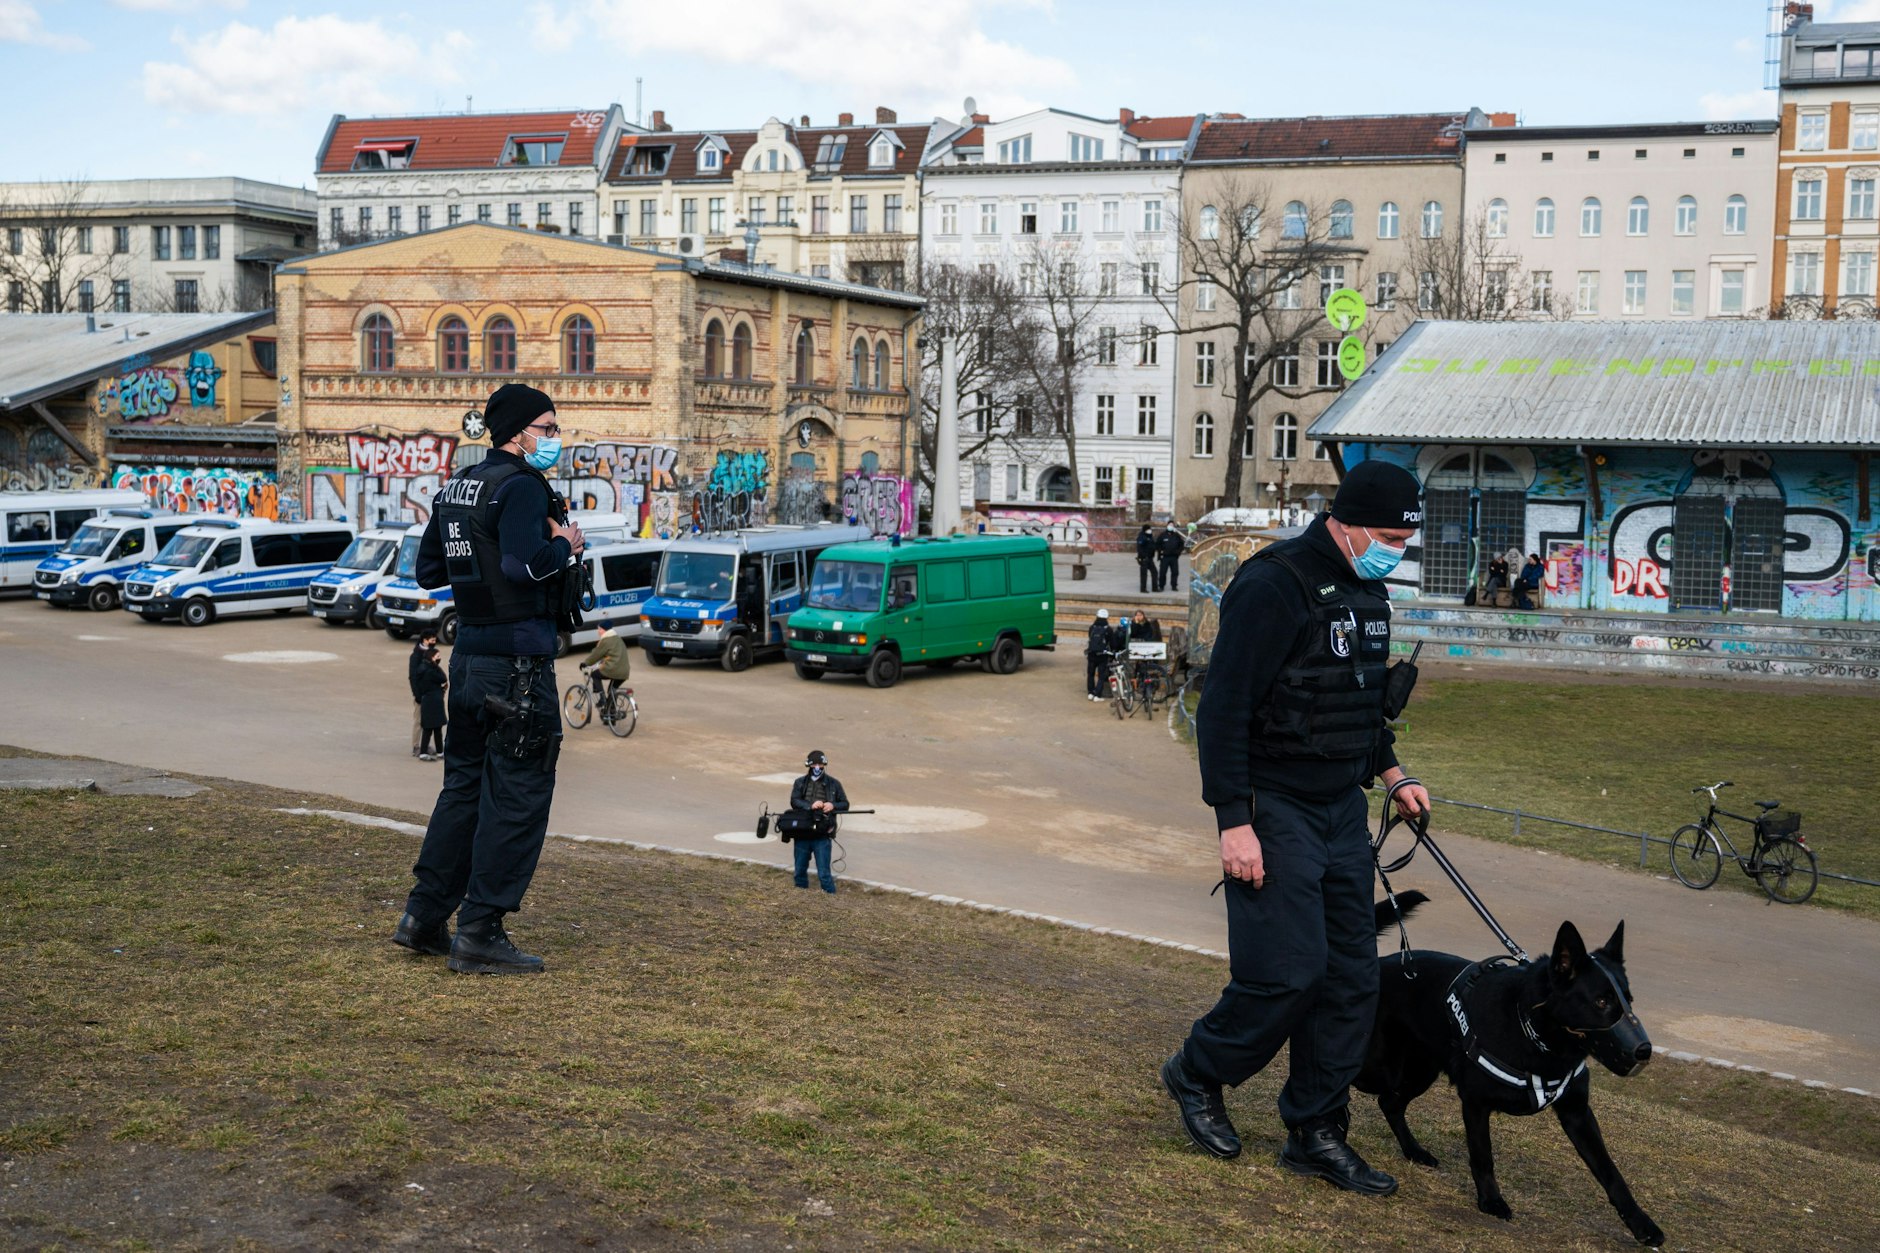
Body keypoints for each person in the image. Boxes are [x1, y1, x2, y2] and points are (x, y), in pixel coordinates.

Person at [1161, 458, 1431, 1198]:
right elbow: (1222, 710)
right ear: (1343, 522)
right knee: (1287, 972)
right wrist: (1234, 824)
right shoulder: (1273, 584)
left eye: (1404, 539)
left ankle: (1315, 1131)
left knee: (1350, 980)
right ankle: (1197, 1071)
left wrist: (1393, 773)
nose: (1395, 550)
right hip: (1272, 801)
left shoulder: (1367, 591)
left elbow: (1354, 703)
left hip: (1340, 806)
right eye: (1385, 536)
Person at [392, 382, 586, 975]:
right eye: (549, 428)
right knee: (517, 797)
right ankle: (480, 930)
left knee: (464, 792)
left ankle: (424, 918)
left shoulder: (458, 485)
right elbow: (524, 565)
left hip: (470, 658)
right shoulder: (524, 486)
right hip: (518, 668)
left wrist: (478, 581)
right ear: (519, 432)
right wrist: (566, 544)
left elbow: (428, 571)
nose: (555, 438)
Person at [789, 749, 850, 893]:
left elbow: (845, 804)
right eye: (814, 764)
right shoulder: (800, 783)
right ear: (808, 765)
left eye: (820, 764)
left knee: (824, 874)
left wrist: (833, 805)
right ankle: (800, 899)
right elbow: (794, 801)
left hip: (823, 835)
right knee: (799, 872)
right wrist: (810, 806)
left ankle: (831, 902)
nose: (817, 767)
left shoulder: (834, 784)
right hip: (802, 833)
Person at [579, 618, 632, 715]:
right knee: (612, 690)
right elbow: (612, 654)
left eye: (599, 629)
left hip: (613, 668)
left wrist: (585, 663)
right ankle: (611, 713)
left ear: (605, 630)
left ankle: (602, 699)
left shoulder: (606, 640)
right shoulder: (618, 639)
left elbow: (596, 654)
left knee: (595, 675)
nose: (598, 631)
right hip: (625, 671)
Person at [407, 629, 438, 758]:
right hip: (421, 694)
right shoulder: (416, 656)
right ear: (425, 640)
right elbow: (413, 677)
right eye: (432, 641)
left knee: (429, 721)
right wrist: (417, 695)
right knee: (418, 720)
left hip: (431, 693)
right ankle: (416, 746)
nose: (434, 643)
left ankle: (425, 745)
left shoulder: (432, 653)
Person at [415, 644, 448, 760]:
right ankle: (425, 752)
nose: (439, 658)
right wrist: (436, 666)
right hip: (433, 702)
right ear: (432, 657)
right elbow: (443, 678)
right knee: (432, 729)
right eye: (437, 656)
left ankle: (439, 752)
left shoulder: (422, 668)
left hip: (429, 700)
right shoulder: (431, 671)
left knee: (433, 728)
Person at [1085, 607, 1119, 701]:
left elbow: (1090, 638)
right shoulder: (1108, 629)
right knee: (1101, 675)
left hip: (1091, 653)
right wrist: (1113, 653)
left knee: (1090, 674)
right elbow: (1112, 643)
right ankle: (1097, 694)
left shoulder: (1092, 627)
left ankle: (1090, 693)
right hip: (1102, 655)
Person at [1157, 523, 1187, 593]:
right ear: (1167, 526)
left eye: (1172, 525)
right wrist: (1161, 551)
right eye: (1169, 525)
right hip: (1164, 557)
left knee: (1175, 572)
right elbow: (1157, 544)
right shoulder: (1162, 535)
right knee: (1162, 572)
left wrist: (1178, 552)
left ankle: (1174, 586)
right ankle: (1161, 586)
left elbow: (1181, 545)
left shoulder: (1176, 536)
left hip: (1174, 557)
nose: (1170, 527)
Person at [1136, 524, 1160, 593]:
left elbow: (1153, 545)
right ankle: (1143, 589)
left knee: (1154, 572)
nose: (1150, 530)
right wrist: (1143, 556)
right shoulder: (1141, 537)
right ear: (1145, 530)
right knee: (1144, 574)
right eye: (1148, 529)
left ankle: (1155, 588)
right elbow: (1139, 548)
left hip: (1150, 558)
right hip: (1144, 558)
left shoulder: (1150, 537)